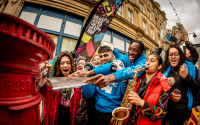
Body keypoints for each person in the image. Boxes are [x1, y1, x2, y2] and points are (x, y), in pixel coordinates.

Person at [70, 40, 147, 88]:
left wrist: (110, 78)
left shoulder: (144, 60)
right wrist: (90, 72)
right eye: (129, 49)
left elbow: (134, 70)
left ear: (141, 53)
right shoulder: (125, 57)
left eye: (135, 50)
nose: (131, 52)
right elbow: (110, 65)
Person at [81, 46, 127, 125]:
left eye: (106, 55)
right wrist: (86, 77)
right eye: (101, 56)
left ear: (112, 56)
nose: (103, 58)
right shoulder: (95, 72)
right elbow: (89, 95)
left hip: (117, 112)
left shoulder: (120, 71)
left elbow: (124, 93)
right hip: (100, 112)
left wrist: (123, 78)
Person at [157, 44, 200, 125]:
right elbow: (159, 91)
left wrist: (187, 77)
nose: (173, 57)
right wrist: (169, 96)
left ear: (180, 55)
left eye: (176, 54)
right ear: (168, 57)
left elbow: (197, 89)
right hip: (169, 113)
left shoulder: (190, 67)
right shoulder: (164, 71)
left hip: (187, 113)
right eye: (170, 55)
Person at [126, 53, 172, 125]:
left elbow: (161, 114)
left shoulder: (164, 85)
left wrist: (141, 103)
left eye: (152, 61)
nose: (148, 63)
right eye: (147, 60)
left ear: (159, 66)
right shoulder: (138, 80)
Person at [37, 51, 76, 125]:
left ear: (71, 65)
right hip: (54, 119)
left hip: (69, 119)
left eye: (68, 63)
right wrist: (44, 74)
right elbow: (39, 89)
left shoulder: (76, 82)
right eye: (62, 63)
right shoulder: (51, 81)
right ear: (58, 65)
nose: (65, 65)